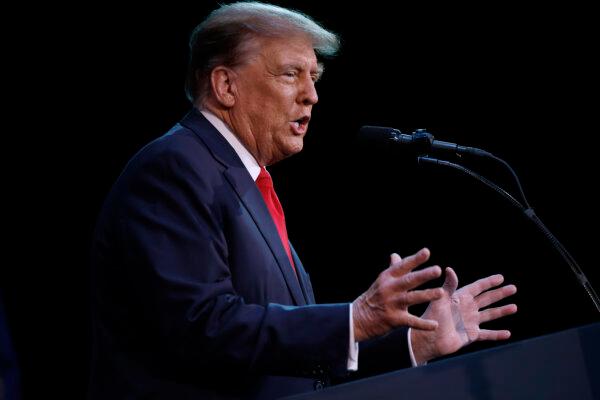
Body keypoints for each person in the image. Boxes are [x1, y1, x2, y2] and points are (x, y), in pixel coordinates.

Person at [89, 3, 517, 399]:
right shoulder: (173, 168)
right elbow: (202, 326)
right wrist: (354, 320)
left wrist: (414, 342)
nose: (311, 95)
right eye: (290, 74)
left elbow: (294, 361)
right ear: (225, 85)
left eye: (314, 78)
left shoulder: (243, 181)